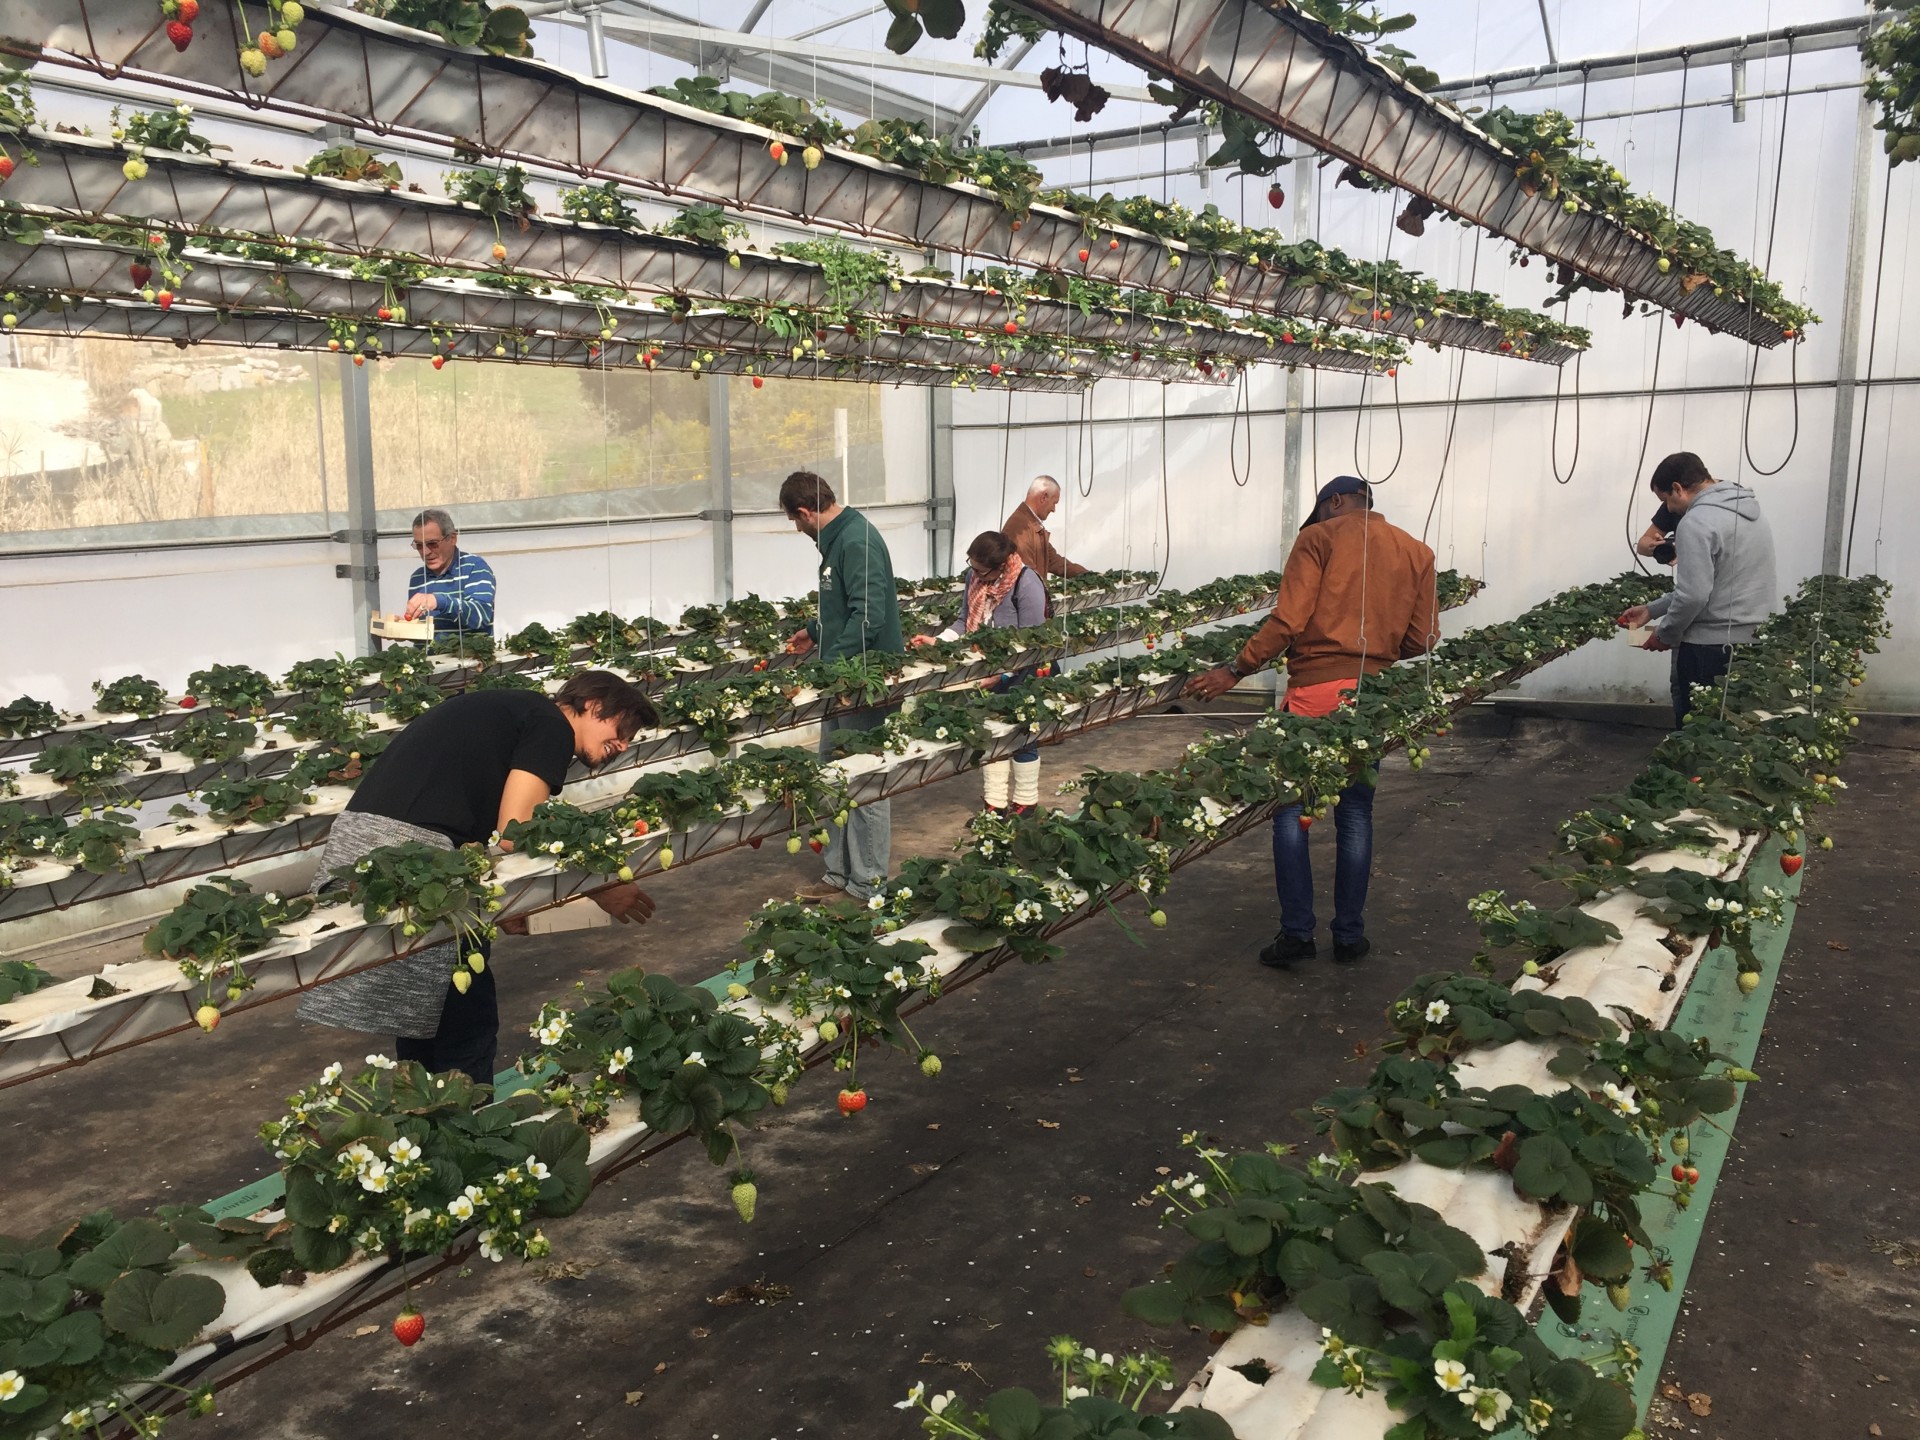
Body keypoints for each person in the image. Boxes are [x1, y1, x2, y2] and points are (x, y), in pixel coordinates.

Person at [297, 671, 659, 1083]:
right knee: (466, 1027)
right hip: (412, 855)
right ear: (593, 705)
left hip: (367, 848)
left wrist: (509, 904)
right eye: (622, 728)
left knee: (428, 1018)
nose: (624, 743)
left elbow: (486, 825)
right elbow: (515, 832)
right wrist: (600, 884)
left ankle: (425, 1127)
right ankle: (466, 1138)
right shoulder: (550, 724)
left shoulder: (512, 712)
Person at [1183, 476, 1438, 969]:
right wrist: (1379, 657)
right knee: (1356, 813)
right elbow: (1423, 640)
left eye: (1321, 509)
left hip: (1315, 693)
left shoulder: (1318, 538)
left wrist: (1235, 669)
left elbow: (1288, 621)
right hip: (1374, 699)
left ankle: (1298, 933)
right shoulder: (1417, 551)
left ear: (1335, 502)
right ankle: (1349, 936)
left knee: (1289, 810)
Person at [780, 471, 905, 903]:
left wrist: (829, 667)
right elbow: (846, 608)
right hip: (844, 680)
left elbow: (870, 615)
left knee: (866, 780)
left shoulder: (856, 540)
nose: (798, 531)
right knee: (833, 774)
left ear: (804, 511)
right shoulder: (838, 541)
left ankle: (868, 880)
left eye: (796, 522)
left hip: (863, 682)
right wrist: (816, 631)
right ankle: (839, 873)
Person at [1616, 452, 1777, 728]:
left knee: (1697, 737)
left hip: (1710, 650)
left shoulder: (1696, 521)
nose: (1669, 509)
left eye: (1666, 499)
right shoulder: (1752, 512)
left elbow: (1694, 595)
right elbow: (1716, 583)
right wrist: (1652, 610)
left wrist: (1665, 634)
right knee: (1739, 734)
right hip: (1755, 643)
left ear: (1678, 488)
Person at [910, 530, 1049, 816]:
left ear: (1001, 566)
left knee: (1022, 731)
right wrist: (939, 641)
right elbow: (965, 621)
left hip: (1022, 670)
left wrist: (1004, 675)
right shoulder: (974, 578)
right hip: (985, 668)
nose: (976, 575)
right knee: (989, 733)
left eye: (981, 571)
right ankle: (995, 804)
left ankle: (1026, 800)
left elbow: (1033, 641)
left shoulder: (1026, 582)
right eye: (972, 567)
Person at [403, 507, 497, 639]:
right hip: (428, 659)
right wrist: (403, 628)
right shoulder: (418, 577)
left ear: (452, 538)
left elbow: (480, 616)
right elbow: (424, 632)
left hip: (467, 658)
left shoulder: (474, 567)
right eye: (418, 545)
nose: (425, 552)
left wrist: (440, 601)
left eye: (432, 543)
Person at [1002, 476, 1088, 585]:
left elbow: (1054, 560)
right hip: (1026, 598)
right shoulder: (1019, 527)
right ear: (1043, 498)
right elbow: (1027, 575)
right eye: (1054, 503)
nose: (1053, 509)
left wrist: (1087, 575)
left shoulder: (1030, 523)